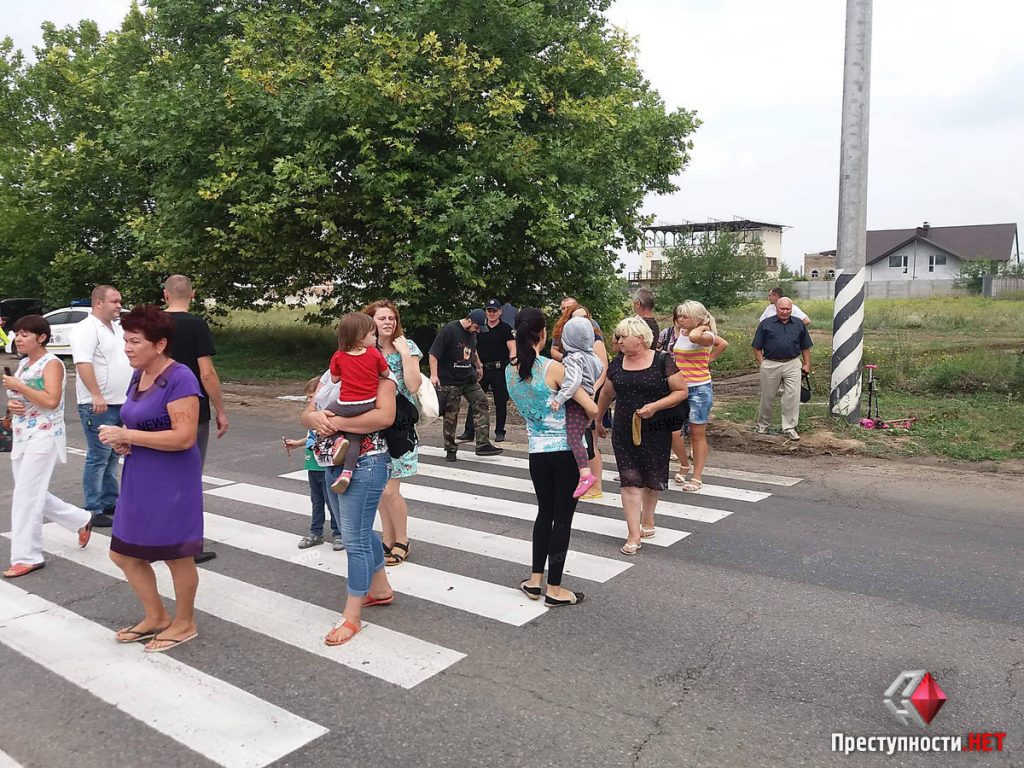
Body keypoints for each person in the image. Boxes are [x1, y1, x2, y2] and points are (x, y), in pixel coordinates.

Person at [98, 305, 204, 653]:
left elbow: (184, 437)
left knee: (176, 554)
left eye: (135, 341)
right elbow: (139, 423)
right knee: (124, 552)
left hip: (172, 478)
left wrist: (129, 437)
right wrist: (125, 439)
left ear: (159, 344)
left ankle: (184, 622)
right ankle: (156, 615)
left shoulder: (180, 377)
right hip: (140, 472)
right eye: (125, 340)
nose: (127, 347)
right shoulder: (138, 374)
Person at [302, 373, 398, 646]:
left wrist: (335, 421)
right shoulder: (333, 372)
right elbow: (307, 413)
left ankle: (351, 616)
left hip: (367, 462)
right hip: (331, 461)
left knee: (354, 540)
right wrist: (315, 419)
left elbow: (384, 417)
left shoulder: (381, 374)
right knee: (352, 529)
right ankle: (379, 588)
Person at [506, 308, 588, 607]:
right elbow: (589, 407)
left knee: (544, 513)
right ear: (543, 334)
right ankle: (555, 588)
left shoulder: (508, 371)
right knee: (563, 518)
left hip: (537, 453)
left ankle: (535, 580)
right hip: (566, 453)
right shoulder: (553, 368)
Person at [2, 315, 92, 578]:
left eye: (25, 334)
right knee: (29, 491)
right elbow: (22, 399)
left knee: (25, 497)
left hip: (44, 435)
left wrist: (18, 386)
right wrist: (11, 405)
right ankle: (79, 519)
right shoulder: (23, 365)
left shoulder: (51, 364)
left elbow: (51, 400)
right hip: (21, 434)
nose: (18, 339)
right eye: (16, 334)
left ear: (41, 337)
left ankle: (28, 555)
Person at [596, 316, 688, 555]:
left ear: (640, 337)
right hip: (624, 428)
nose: (619, 341)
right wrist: (597, 418)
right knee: (629, 479)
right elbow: (607, 392)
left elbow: (681, 391)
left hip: (656, 427)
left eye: (623, 337)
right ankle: (633, 533)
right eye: (618, 337)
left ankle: (648, 518)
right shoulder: (617, 363)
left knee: (651, 475)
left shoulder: (662, 361)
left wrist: (656, 406)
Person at [163, 274, 229, 564]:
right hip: (192, 409)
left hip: (157, 408)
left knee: (161, 474)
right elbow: (207, 373)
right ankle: (189, 543)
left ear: (165, 295)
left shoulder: (153, 324)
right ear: (193, 294)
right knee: (189, 476)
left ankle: (160, 537)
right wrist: (221, 410)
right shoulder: (196, 325)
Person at [362, 299, 422, 567]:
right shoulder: (364, 349)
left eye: (392, 318)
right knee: (378, 488)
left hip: (399, 427)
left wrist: (405, 354)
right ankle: (387, 538)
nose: (388, 322)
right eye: (382, 318)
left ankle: (403, 540)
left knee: (389, 490)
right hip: (372, 423)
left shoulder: (406, 347)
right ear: (370, 322)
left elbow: (413, 384)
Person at [69, 285, 132, 528]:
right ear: (98, 303)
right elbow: (83, 363)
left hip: (120, 400)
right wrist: (95, 394)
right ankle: (92, 508)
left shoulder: (116, 328)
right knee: (98, 455)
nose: (119, 305)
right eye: (114, 301)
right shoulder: (86, 329)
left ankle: (109, 500)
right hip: (99, 403)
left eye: (120, 301)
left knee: (114, 454)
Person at [326, 313, 391, 493]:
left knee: (322, 416)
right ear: (360, 338)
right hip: (368, 403)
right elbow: (385, 374)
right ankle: (347, 473)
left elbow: (334, 378)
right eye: (373, 335)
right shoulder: (374, 353)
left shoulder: (339, 356)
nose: (375, 338)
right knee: (355, 437)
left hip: (345, 404)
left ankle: (337, 439)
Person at [551, 301, 609, 499]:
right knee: (585, 437)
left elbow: (573, 380)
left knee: (574, 437)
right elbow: (600, 369)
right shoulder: (591, 355)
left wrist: (560, 397)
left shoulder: (573, 358)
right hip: (590, 396)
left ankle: (585, 474)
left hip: (577, 402)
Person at [429, 309, 502, 461]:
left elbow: (472, 351)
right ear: (470, 321)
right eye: (476, 327)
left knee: (482, 402)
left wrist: (479, 365)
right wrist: (434, 375)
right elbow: (434, 353)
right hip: (450, 380)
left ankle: (482, 444)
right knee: (451, 416)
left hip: (468, 378)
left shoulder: (473, 333)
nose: (478, 331)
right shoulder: (450, 329)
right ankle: (450, 448)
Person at [670, 301, 729, 491]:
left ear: (697, 318)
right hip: (680, 388)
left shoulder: (705, 335)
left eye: (685, 316)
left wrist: (703, 325)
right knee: (673, 431)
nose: (680, 319)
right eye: (679, 315)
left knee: (697, 434)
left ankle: (697, 477)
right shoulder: (682, 333)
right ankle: (684, 464)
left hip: (699, 389)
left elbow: (702, 339)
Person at [286, 377, 342, 549]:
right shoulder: (314, 418)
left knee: (331, 501)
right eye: (308, 398)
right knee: (316, 501)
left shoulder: (328, 417)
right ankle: (315, 532)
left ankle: (339, 533)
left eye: (313, 397)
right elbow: (311, 437)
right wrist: (297, 443)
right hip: (312, 466)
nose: (310, 401)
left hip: (326, 465)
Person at [752, 298, 813, 440]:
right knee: (767, 396)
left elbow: (805, 346)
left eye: (788, 309)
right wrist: (763, 363)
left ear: (792, 309)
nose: (785, 312)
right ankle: (763, 425)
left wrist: (807, 363)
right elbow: (756, 347)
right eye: (782, 309)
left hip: (792, 363)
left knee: (792, 396)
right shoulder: (766, 324)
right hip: (771, 363)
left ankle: (789, 427)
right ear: (776, 308)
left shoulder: (798, 324)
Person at [458, 298, 514, 443]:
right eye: (489, 310)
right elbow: (471, 346)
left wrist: (514, 364)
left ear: (500, 312)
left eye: (494, 311)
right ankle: (469, 431)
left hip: (499, 370)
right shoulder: (480, 328)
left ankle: (500, 431)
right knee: (474, 399)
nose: (491, 313)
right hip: (481, 368)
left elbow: (512, 348)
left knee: (500, 401)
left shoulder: (506, 329)